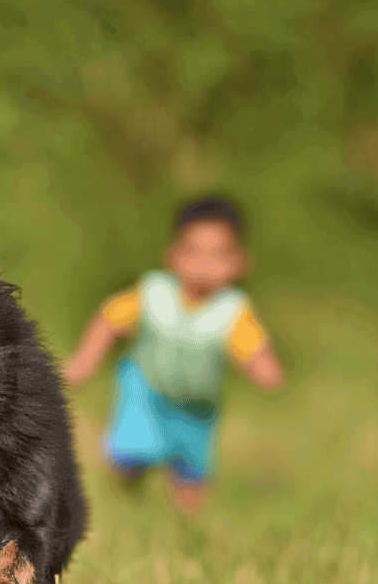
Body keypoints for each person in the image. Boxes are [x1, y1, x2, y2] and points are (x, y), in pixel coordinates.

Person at [63, 195, 284, 514]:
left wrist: (265, 369)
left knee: (192, 479)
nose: (205, 266)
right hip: (147, 390)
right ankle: (128, 479)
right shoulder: (155, 293)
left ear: (240, 262)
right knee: (131, 455)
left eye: (219, 255)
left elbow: (252, 349)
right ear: (173, 255)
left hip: (197, 407)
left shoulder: (233, 312)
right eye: (194, 252)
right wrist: (83, 362)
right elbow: (109, 320)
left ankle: (189, 528)